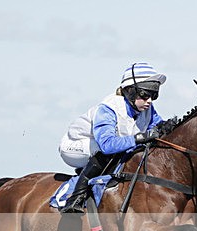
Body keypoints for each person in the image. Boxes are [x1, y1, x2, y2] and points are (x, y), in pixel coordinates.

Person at [57, 62, 168, 213]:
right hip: (75, 147)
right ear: (130, 91)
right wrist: (139, 138)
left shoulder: (147, 109)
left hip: (102, 146)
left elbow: (159, 126)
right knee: (109, 152)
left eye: (154, 95)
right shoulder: (108, 108)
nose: (150, 100)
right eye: (145, 94)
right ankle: (76, 198)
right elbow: (107, 145)